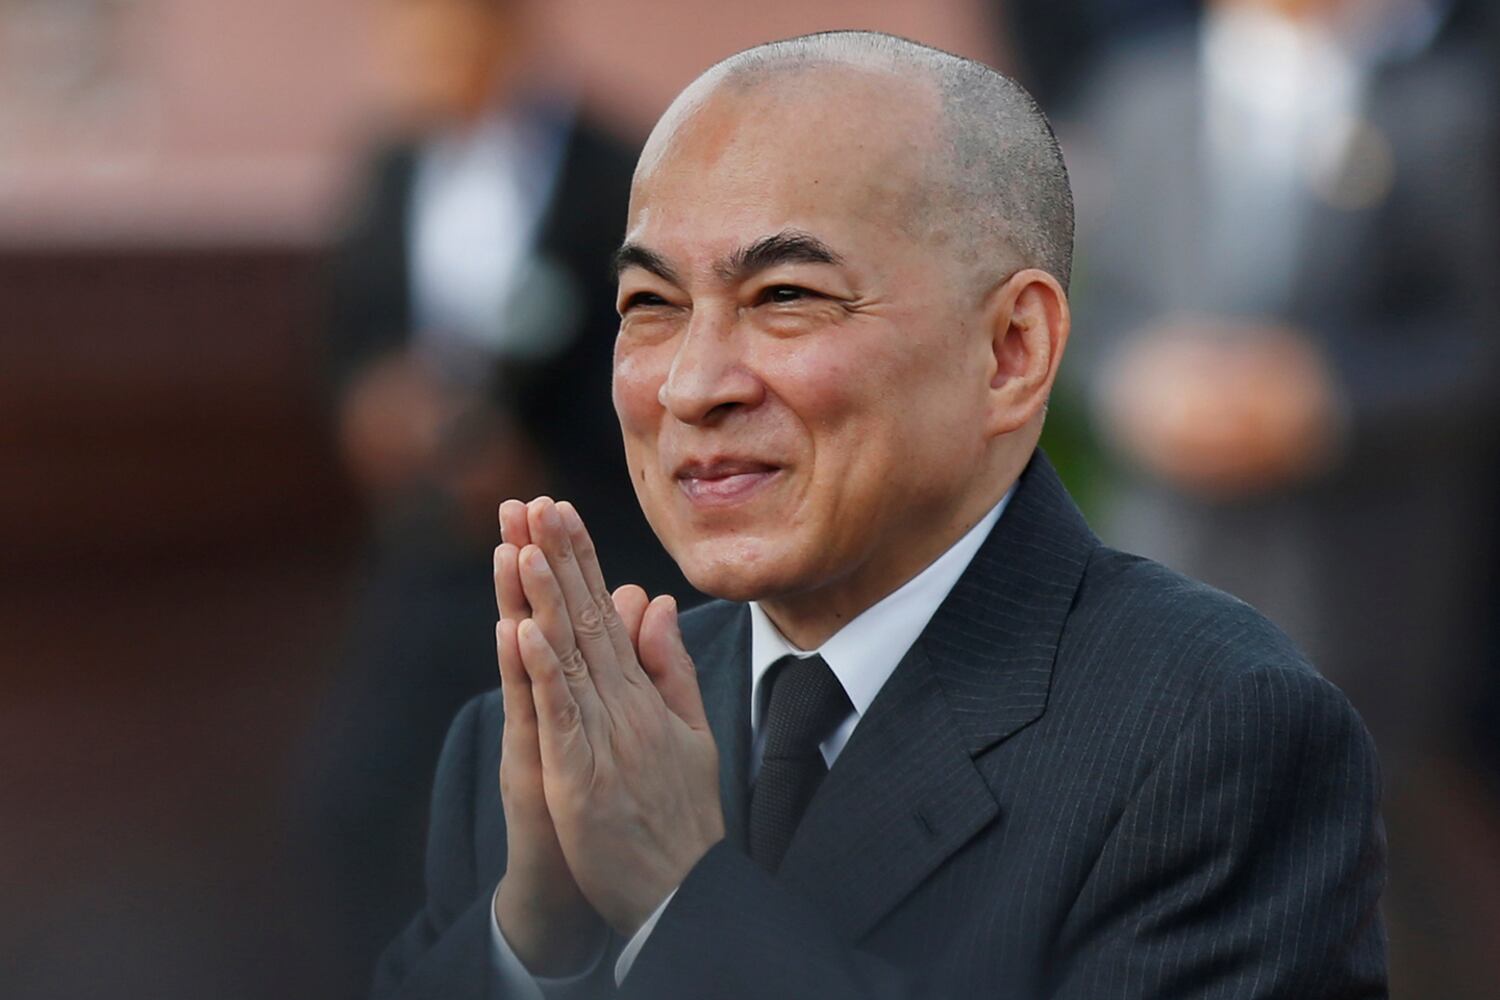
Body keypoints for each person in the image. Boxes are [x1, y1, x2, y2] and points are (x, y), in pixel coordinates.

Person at [372, 31, 1387, 1000]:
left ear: (1011, 351)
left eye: (784, 295)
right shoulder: (541, 746)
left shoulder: (1210, 734)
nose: (691, 386)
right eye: (651, 306)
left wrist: (680, 901)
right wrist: (537, 955)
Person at [1065, 1, 1499, 991]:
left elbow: (1476, 341)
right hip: (1166, 564)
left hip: (1364, 591)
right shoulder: (1142, 94)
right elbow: (1085, 313)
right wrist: (1138, 382)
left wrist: (1325, 398)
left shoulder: (1448, 104)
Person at [301, 0, 689, 989]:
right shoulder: (394, 168)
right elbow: (354, 328)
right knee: (360, 805)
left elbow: (657, 364)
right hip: (427, 564)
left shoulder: (617, 175)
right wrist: (377, 411)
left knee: (566, 831)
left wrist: (535, 473)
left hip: (582, 563)